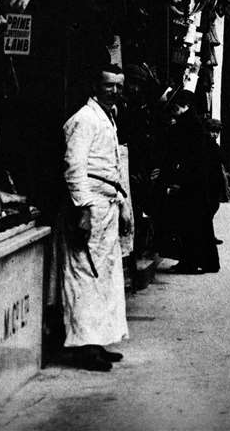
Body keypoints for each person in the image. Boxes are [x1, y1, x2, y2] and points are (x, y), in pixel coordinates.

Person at [61, 66, 131, 371]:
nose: (114, 91)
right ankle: (82, 346)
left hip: (108, 205)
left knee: (105, 275)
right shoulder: (84, 120)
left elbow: (113, 165)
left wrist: (123, 203)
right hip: (91, 206)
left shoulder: (108, 118)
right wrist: (83, 208)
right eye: (108, 86)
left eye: (118, 86)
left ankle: (97, 341)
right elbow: (74, 166)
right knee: (84, 274)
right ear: (95, 86)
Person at [161, 90, 224, 274]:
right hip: (200, 181)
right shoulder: (196, 124)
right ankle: (209, 263)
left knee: (189, 224)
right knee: (202, 224)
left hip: (190, 182)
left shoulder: (185, 126)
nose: (174, 111)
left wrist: (176, 180)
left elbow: (184, 157)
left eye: (177, 107)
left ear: (185, 106)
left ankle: (190, 263)